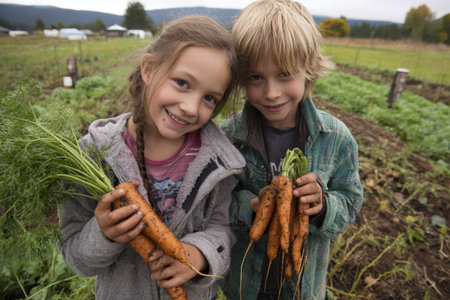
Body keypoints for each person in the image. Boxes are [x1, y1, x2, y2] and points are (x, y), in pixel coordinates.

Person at [58, 16, 245, 300]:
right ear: (148, 69)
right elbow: (75, 257)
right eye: (182, 83)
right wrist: (103, 234)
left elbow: (222, 227)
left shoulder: (218, 161)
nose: (191, 107)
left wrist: (200, 255)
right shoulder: (93, 157)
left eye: (210, 98)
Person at [219, 1, 364, 299]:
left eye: (285, 74)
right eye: (255, 77)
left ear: (309, 69)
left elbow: (350, 204)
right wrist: (250, 207)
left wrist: (322, 207)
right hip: (245, 284)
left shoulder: (336, 138)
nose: (271, 93)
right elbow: (217, 200)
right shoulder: (229, 136)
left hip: (303, 285)